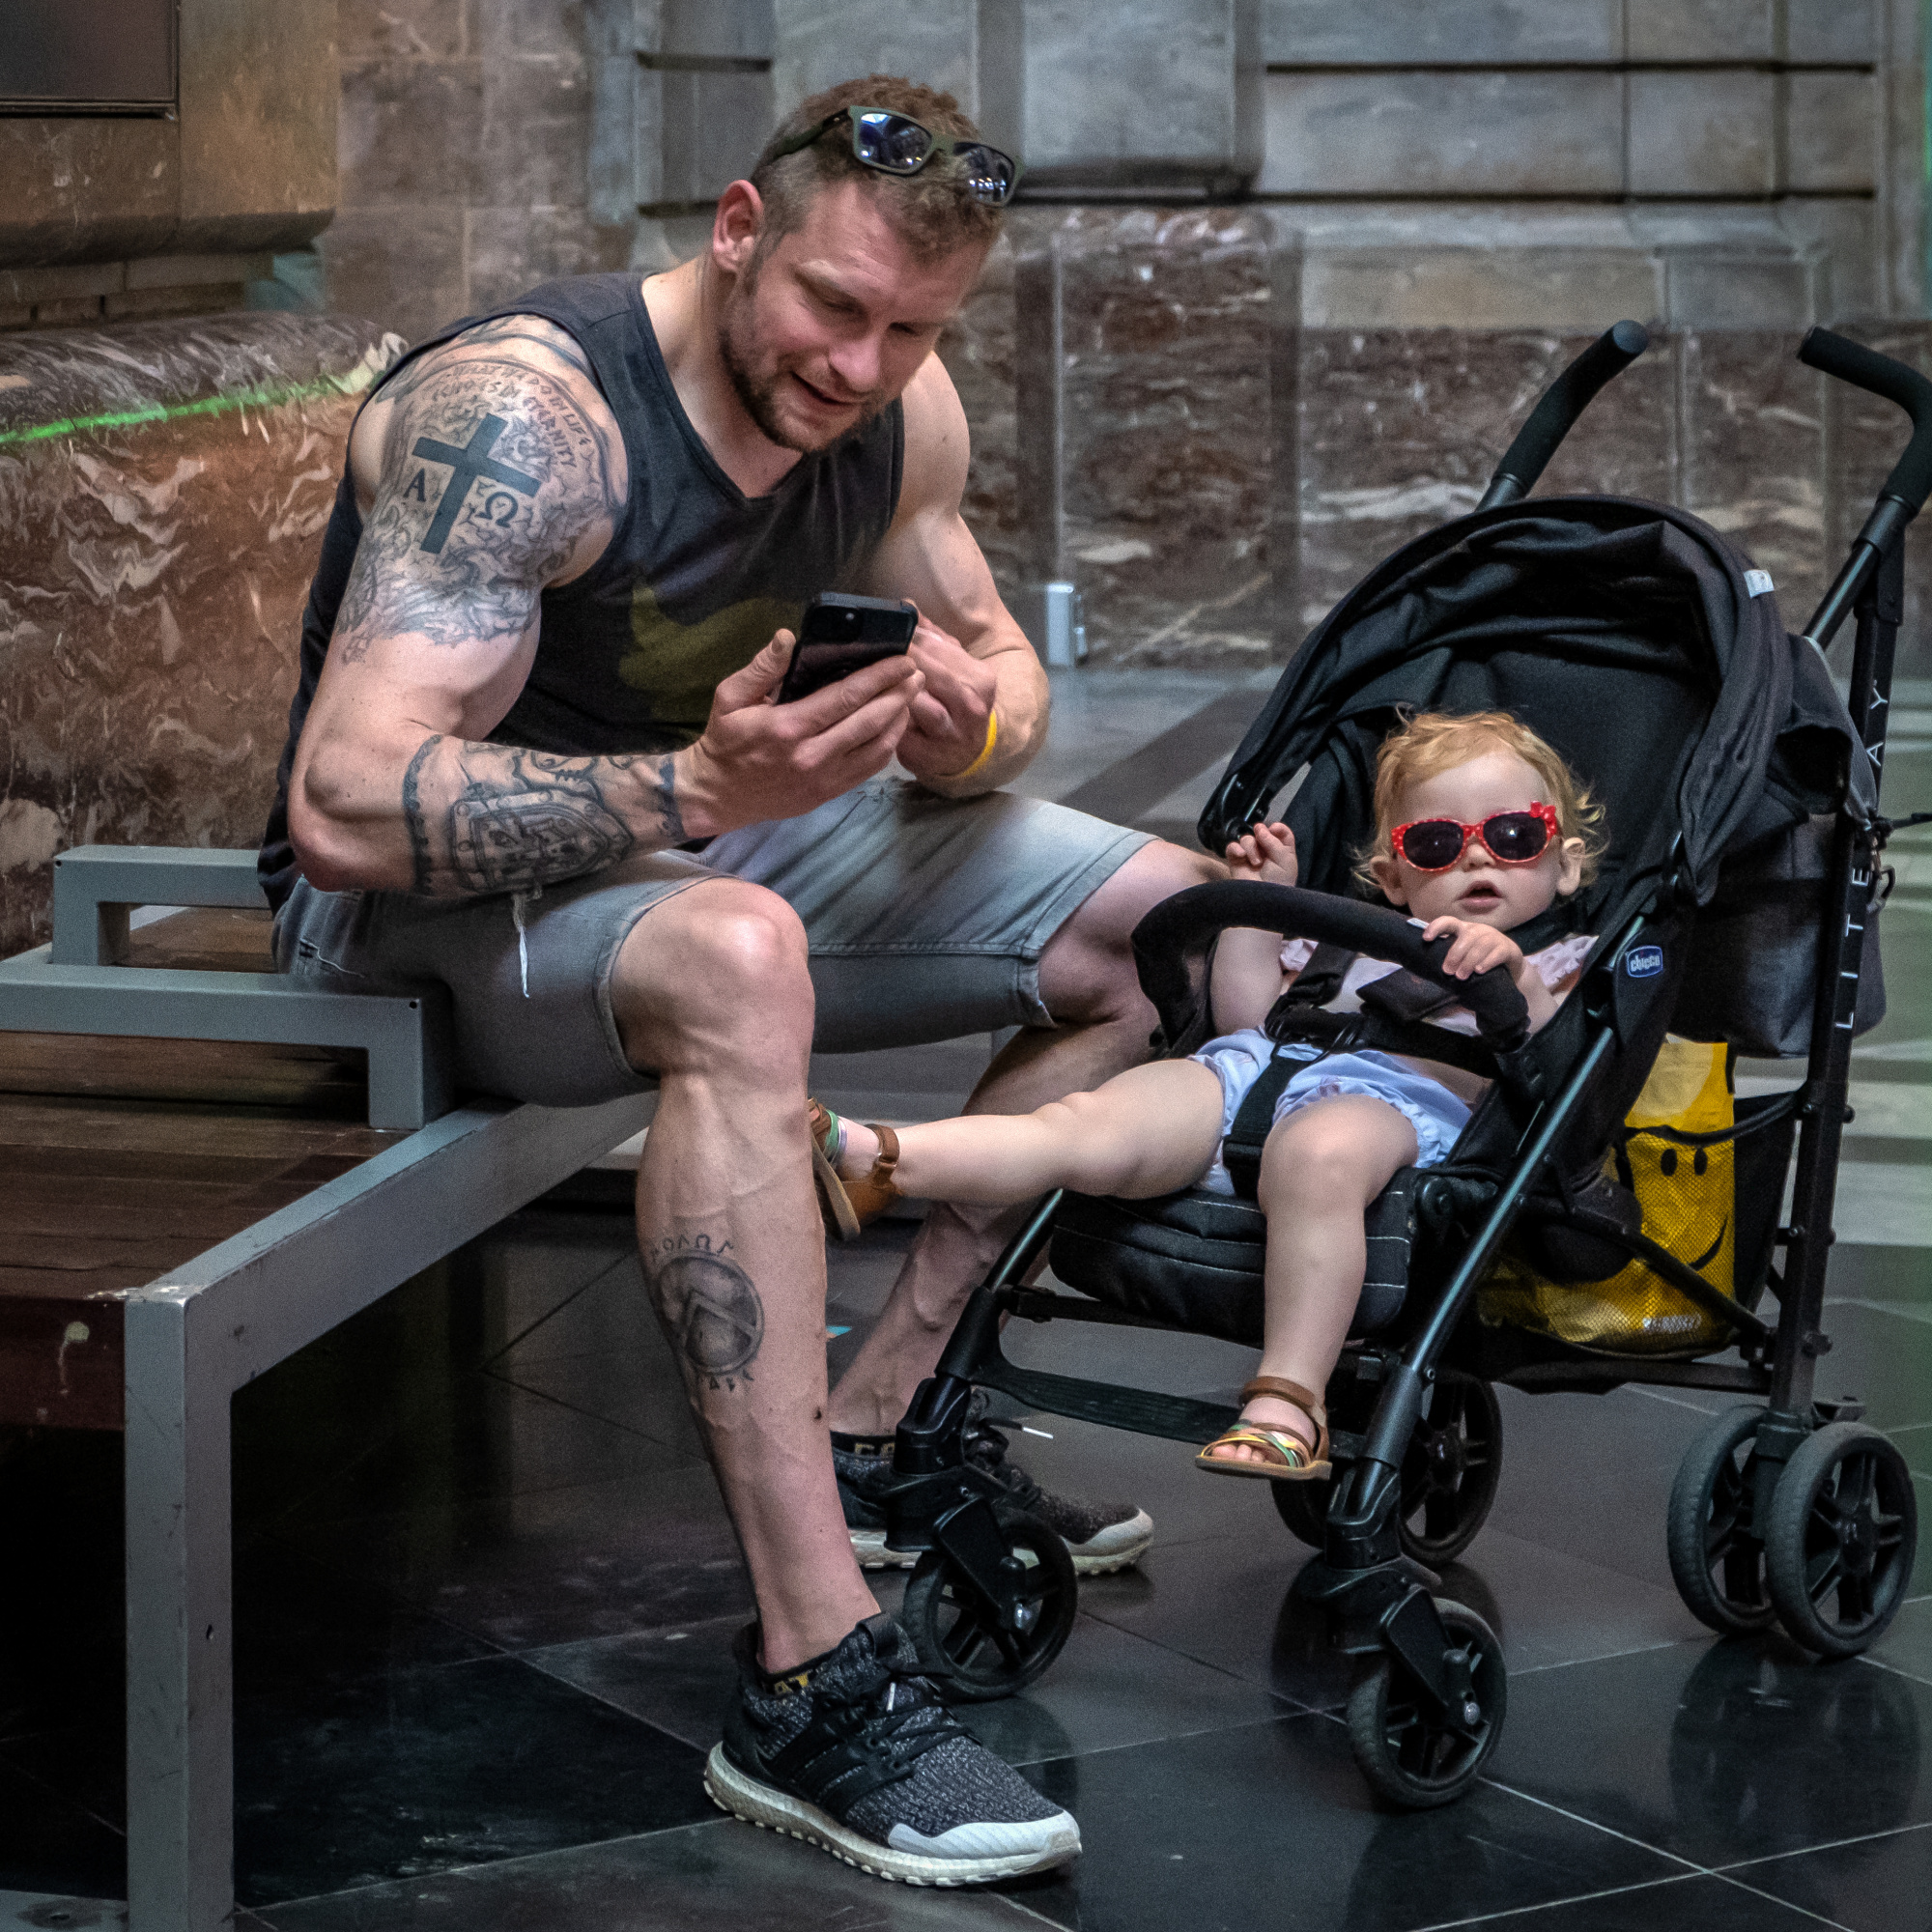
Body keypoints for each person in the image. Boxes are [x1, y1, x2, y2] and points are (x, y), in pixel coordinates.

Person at [263, 73, 1217, 1886]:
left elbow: (1005, 676)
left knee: (1168, 922)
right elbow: (343, 806)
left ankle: (885, 1416)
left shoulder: (897, 412)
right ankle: (810, 1672)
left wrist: (966, 725)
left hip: (705, 839)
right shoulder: (529, 419)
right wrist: (698, 789)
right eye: (833, 307)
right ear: (735, 229)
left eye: (912, 329)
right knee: (739, 953)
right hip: (420, 906)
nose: (861, 365)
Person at [812, 710, 1604, 1475]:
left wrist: (1512, 977)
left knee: (1317, 1155)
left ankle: (1289, 1400)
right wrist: (1258, 912)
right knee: (1084, 1122)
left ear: (1564, 863)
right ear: (1393, 878)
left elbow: (1553, 1060)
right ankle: (878, 1157)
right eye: (1436, 843)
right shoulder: (1338, 946)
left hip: (1392, 1106)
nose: (1477, 859)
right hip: (1251, 1075)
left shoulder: (1561, 965)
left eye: (1514, 836)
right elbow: (1246, 1017)